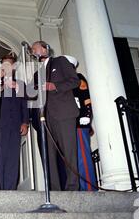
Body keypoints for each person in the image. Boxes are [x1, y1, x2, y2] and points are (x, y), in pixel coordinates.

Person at [30, 41, 80, 191]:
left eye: (34, 48)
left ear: (46, 48)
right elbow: (31, 93)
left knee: (69, 152)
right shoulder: (37, 73)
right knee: (48, 156)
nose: (32, 51)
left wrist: (55, 86)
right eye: (31, 50)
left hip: (64, 113)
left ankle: (72, 188)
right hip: (46, 117)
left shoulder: (60, 61)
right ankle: (53, 190)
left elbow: (75, 81)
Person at [0, 53, 29, 190]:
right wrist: (1, 87)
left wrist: (25, 122)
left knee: (13, 159)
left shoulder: (20, 84)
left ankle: (10, 189)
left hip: (15, 125)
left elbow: (25, 104)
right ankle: (0, 188)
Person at [64, 55, 97, 191]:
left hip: (79, 122)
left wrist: (86, 116)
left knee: (82, 157)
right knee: (71, 159)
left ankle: (89, 189)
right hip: (65, 124)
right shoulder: (60, 80)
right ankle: (76, 188)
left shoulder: (78, 78)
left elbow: (86, 99)